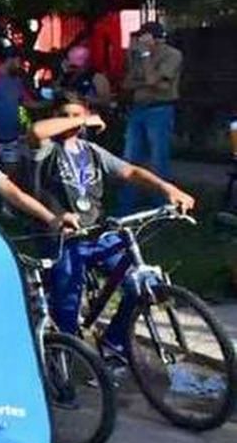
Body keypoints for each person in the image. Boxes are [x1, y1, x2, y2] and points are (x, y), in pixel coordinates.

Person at [28, 97, 195, 368]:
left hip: (96, 232)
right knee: (67, 302)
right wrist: (82, 119)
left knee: (142, 284)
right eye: (65, 115)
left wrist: (169, 189)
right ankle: (64, 363)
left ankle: (114, 342)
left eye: (77, 115)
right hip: (64, 238)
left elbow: (130, 171)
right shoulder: (47, 150)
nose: (72, 122)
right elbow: (36, 131)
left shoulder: (91, 150)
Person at [121, 21, 182, 195]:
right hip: (138, 108)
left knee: (158, 158)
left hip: (160, 110)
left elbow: (151, 80)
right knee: (130, 158)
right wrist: (148, 82)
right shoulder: (138, 56)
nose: (138, 41)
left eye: (142, 37)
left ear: (152, 38)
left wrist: (146, 55)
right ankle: (127, 202)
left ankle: (162, 202)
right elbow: (127, 83)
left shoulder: (172, 55)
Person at [55, 46, 112, 112]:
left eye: (74, 67)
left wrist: (81, 99)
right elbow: (56, 90)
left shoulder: (98, 79)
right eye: (70, 66)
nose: (71, 70)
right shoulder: (65, 77)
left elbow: (105, 102)